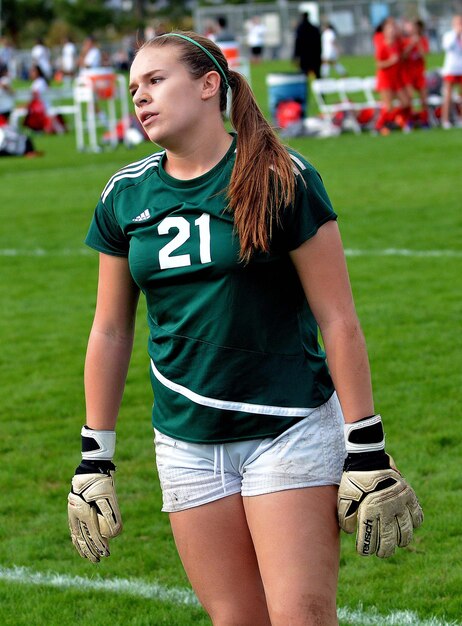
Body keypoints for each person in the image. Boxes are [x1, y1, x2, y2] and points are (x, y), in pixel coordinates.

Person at [67, 30, 423, 625]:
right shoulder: (124, 195)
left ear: (211, 86)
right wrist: (93, 458)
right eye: (134, 89)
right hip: (185, 441)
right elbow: (109, 331)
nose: (140, 98)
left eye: (156, 81)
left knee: (302, 617)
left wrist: (366, 444)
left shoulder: (283, 175)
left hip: (286, 427)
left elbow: (339, 319)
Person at [373, 17, 412, 135]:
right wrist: (390, 61)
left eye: (393, 28)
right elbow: (379, 64)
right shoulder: (381, 43)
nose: (392, 31)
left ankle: (399, 120)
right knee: (388, 106)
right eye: (389, 28)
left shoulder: (397, 43)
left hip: (397, 78)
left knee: (406, 102)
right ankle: (378, 126)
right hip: (386, 78)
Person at [401, 20, 430, 127]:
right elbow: (402, 57)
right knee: (410, 98)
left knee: (423, 98)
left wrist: (418, 43)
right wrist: (411, 44)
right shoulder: (404, 40)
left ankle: (424, 121)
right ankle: (409, 121)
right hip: (408, 74)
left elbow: (424, 55)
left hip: (419, 74)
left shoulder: (423, 40)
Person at [440, 14, 462, 129]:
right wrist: (456, 34)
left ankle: (460, 118)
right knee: (448, 95)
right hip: (451, 69)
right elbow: (448, 47)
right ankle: (445, 120)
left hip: (461, 68)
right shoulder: (449, 35)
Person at [293, 12, 322, 79]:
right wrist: (320, 54)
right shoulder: (314, 29)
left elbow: (297, 43)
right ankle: (320, 88)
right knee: (317, 75)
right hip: (315, 55)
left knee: (303, 75)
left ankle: (303, 88)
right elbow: (319, 43)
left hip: (304, 56)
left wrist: (295, 55)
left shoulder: (300, 29)